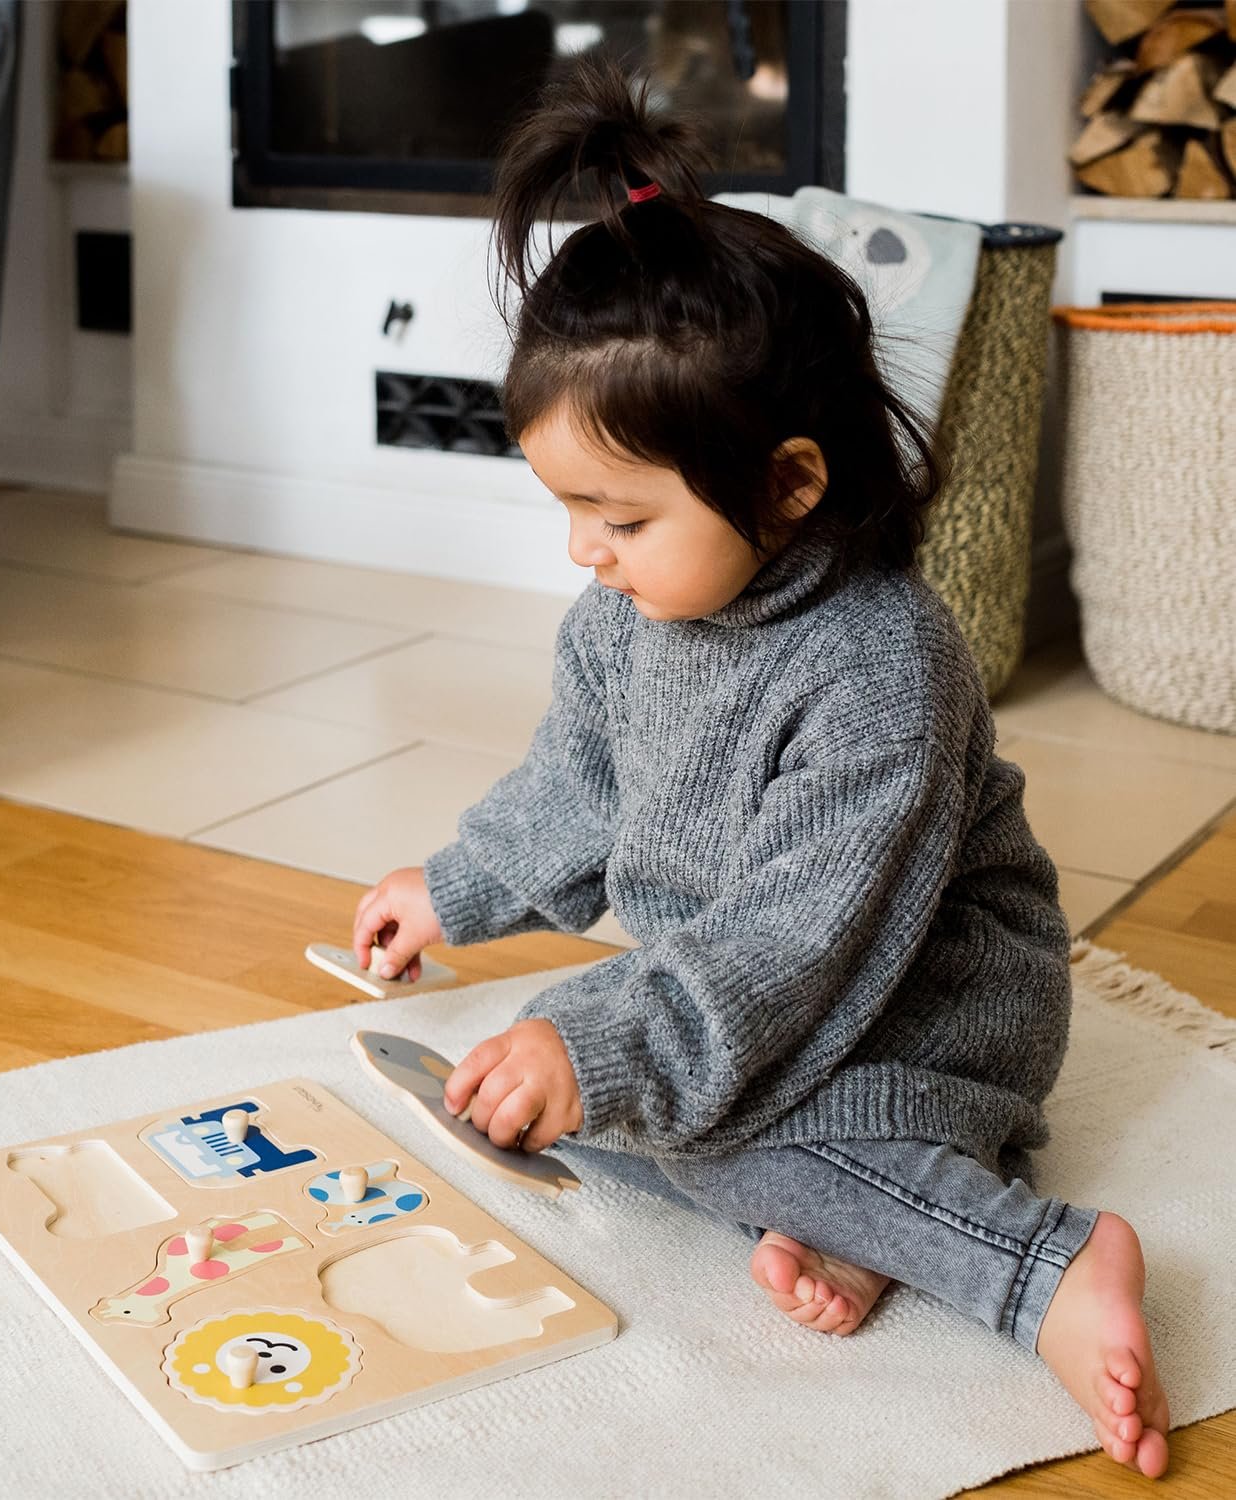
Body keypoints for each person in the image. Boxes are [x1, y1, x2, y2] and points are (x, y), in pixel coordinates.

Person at [349, 56, 1168, 1478]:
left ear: (789, 484)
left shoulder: (882, 667)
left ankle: (1043, 1265)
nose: (581, 553)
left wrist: (614, 1061)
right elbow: (576, 793)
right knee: (573, 1080)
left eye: (619, 516)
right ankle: (871, 1218)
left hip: (924, 998)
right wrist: (454, 889)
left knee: (695, 1127)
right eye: (567, 510)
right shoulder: (621, 621)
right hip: (758, 987)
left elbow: (795, 947)